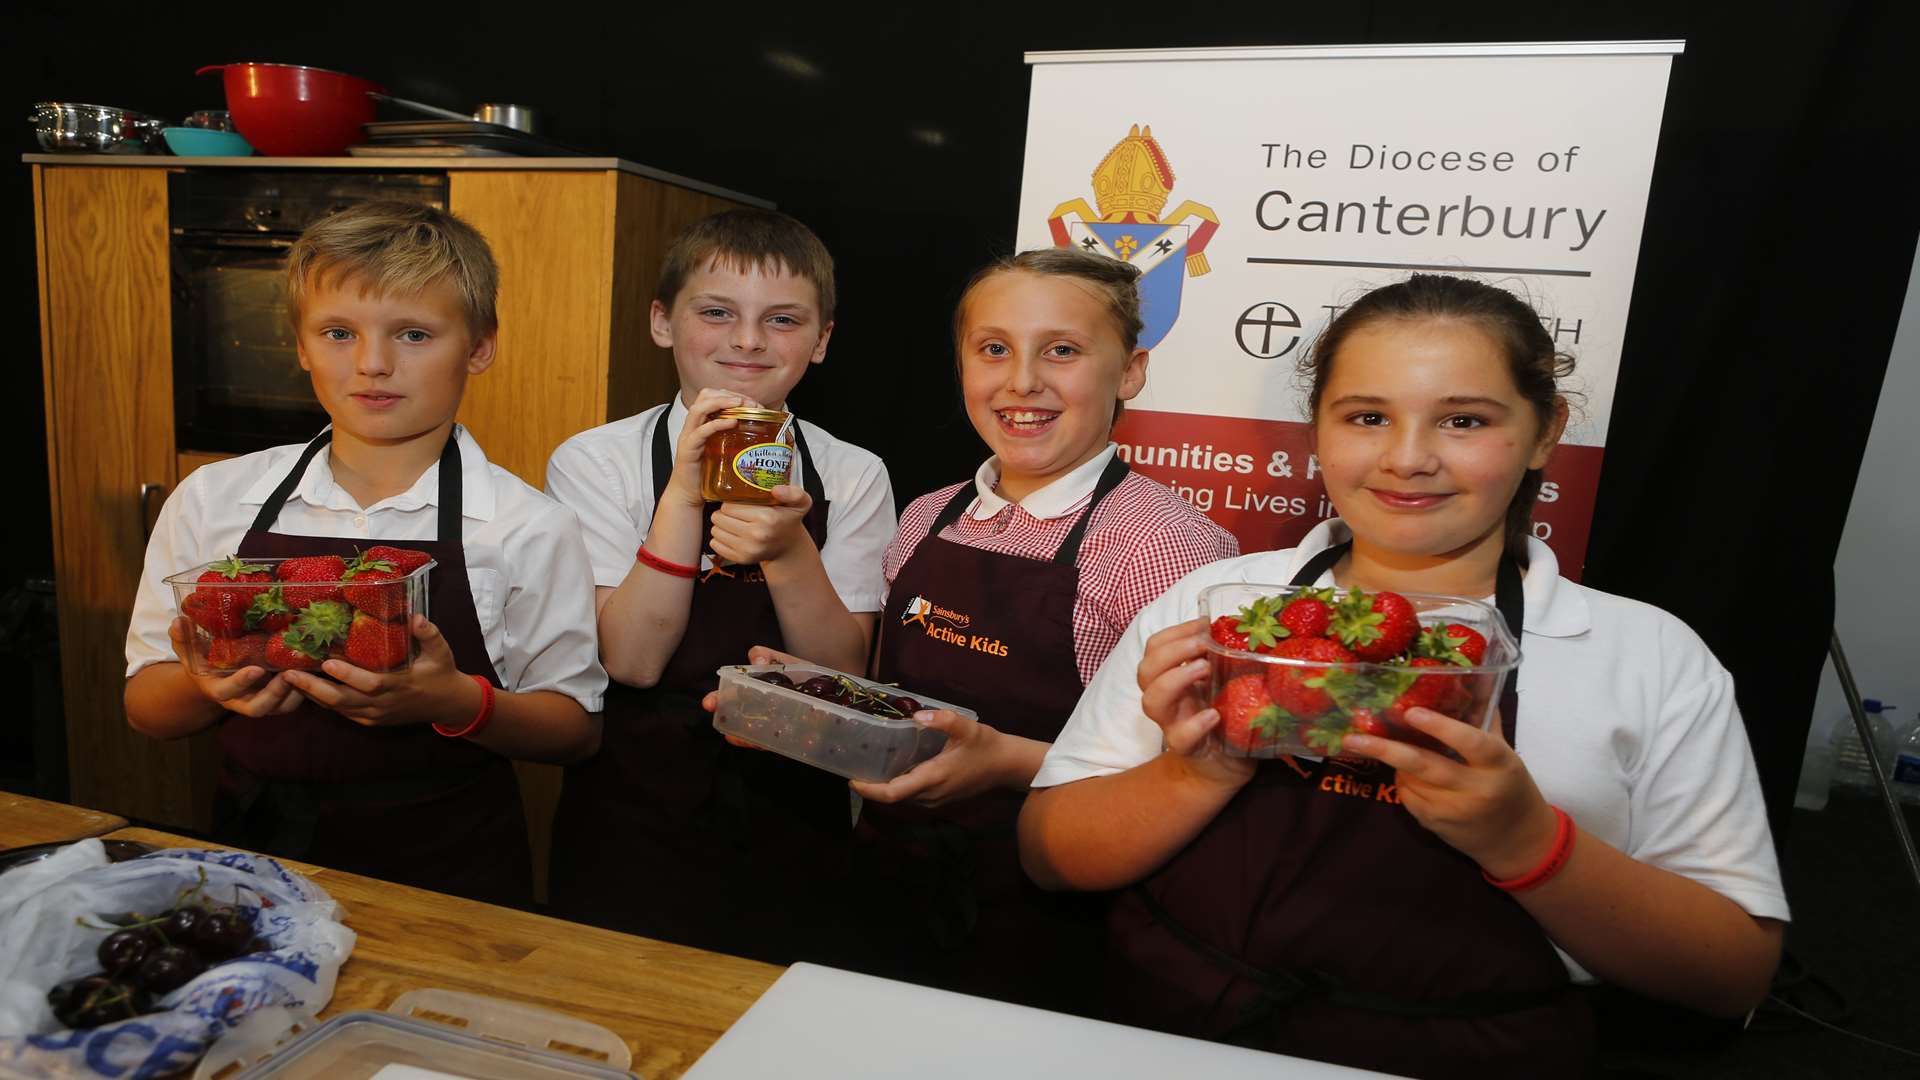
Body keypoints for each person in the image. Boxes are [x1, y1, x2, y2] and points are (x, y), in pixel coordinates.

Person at [1019, 273, 1787, 1076]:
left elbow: (1731, 972)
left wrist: (1526, 841)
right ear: (1316, 430)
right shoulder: (1218, 614)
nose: (1408, 458)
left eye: (1463, 420)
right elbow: (1048, 855)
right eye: (1366, 417)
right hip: (1171, 1037)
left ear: (1544, 431)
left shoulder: (1649, 656)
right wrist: (1193, 774)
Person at [742, 247, 1237, 1010]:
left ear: (1131, 371)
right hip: (889, 888)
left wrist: (1002, 763)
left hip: (1054, 920)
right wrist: (810, 702)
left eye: (1062, 351)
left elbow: (1181, 780)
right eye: (994, 349)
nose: (1022, 381)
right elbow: (896, 703)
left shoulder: (1163, 546)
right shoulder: (927, 516)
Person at [125, 200, 606, 907]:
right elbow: (145, 707)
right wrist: (205, 686)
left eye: (413, 333)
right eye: (338, 332)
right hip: (256, 858)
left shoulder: (526, 525)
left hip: (450, 870)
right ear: (299, 343)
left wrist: (454, 701)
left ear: (478, 347)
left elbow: (576, 730)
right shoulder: (213, 499)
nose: (373, 364)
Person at [543, 209, 895, 962]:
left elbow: (845, 673)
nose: (747, 341)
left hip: (794, 805)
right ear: (663, 322)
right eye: (716, 313)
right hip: (633, 806)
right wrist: (681, 494)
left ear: (822, 340)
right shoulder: (596, 461)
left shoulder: (854, 473)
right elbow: (632, 661)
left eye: (783, 320)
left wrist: (790, 549)